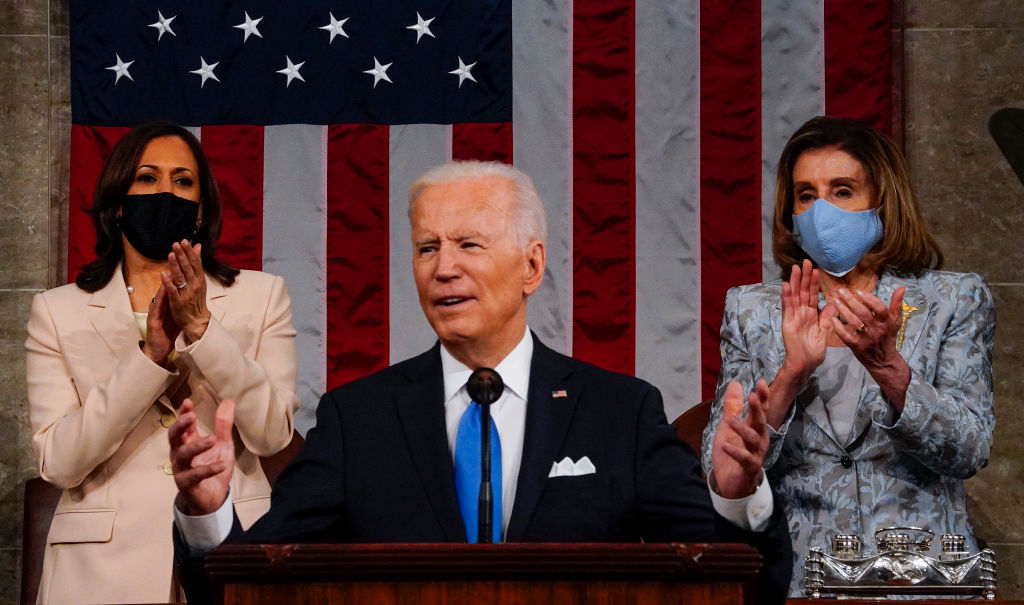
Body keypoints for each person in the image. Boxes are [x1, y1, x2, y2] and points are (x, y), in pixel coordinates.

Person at [170, 161, 791, 603]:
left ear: (531, 265)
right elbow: (245, 585)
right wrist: (208, 513)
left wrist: (738, 500)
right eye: (426, 248)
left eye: (469, 243)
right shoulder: (356, 421)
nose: (444, 268)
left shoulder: (619, 412)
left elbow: (741, 587)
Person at [701, 116, 995, 596]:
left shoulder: (955, 299)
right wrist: (790, 376)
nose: (821, 211)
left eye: (842, 191)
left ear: (883, 202)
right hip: (798, 580)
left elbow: (968, 450)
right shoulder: (751, 310)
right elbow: (721, 471)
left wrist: (890, 370)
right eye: (805, 195)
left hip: (923, 580)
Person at [25, 122, 300, 604]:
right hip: (100, 574)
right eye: (147, 178)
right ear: (118, 203)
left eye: (183, 181)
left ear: (199, 211)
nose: (166, 191)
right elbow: (60, 463)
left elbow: (272, 434)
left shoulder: (262, 296)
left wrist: (202, 329)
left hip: (228, 552)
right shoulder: (56, 311)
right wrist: (151, 355)